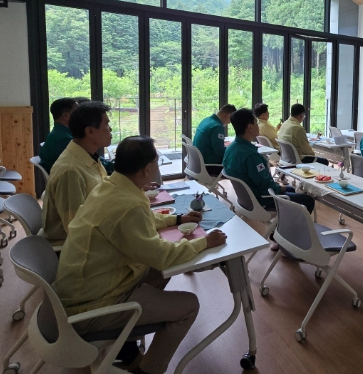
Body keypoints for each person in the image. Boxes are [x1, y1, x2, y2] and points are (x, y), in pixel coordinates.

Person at [53, 136, 226, 374]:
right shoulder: (129, 205)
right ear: (147, 170)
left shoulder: (109, 186)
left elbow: (142, 222)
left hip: (83, 290)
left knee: (158, 272)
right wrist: (204, 242)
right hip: (91, 308)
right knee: (188, 305)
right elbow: (162, 256)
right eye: (157, 161)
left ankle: (127, 350)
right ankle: (149, 370)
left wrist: (177, 219)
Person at [223, 108, 315, 249]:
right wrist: (280, 188)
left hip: (245, 200)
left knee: (291, 190)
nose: (258, 125)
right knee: (307, 200)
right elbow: (265, 186)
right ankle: (290, 241)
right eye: (256, 123)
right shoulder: (251, 156)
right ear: (250, 127)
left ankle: (279, 234)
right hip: (262, 199)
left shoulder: (230, 149)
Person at [39, 101, 113, 246]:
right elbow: (76, 229)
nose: (110, 129)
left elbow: (103, 189)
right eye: (106, 124)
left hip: (96, 228)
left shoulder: (86, 155)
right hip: (69, 247)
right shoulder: (71, 171)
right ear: (90, 131)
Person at [192, 104, 236, 175]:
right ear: (228, 116)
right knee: (238, 165)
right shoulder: (217, 127)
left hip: (197, 163)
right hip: (209, 166)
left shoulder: (206, 120)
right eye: (230, 120)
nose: (229, 123)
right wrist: (233, 148)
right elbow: (220, 151)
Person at [39, 97, 78, 173]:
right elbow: (86, 160)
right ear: (66, 115)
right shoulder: (63, 138)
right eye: (77, 112)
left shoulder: (59, 133)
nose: (81, 115)